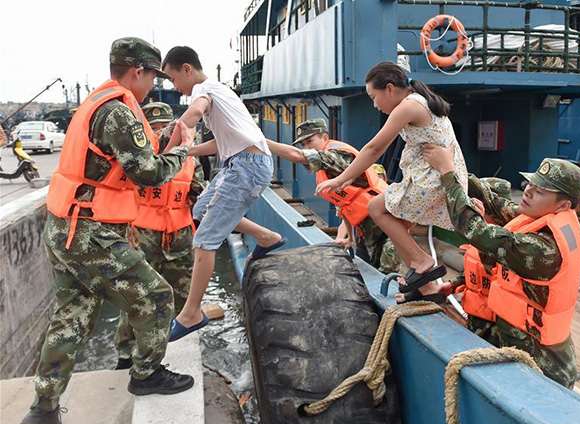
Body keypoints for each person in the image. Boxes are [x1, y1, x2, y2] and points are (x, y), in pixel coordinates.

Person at [20, 37, 195, 424]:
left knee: (74, 316)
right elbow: (149, 174)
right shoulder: (118, 111)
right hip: (90, 232)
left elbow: (123, 161)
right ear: (138, 71)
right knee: (157, 296)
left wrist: (162, 145)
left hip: (64, 227)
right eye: (152, 77)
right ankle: (146, 374)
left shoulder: (96, 104)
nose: (153, 85)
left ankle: (43, 408)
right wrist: (184, 151)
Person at [422, 144, 580, 389]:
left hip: (540, 367)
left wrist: (448, 173)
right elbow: (493, 203)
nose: (529, 191)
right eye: (530, 184)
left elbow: (475, 230)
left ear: (563, 205)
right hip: (516, 348)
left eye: (540, 191)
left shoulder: (544, 248)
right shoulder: (537, 217)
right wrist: (455, 167)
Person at [161, 46, 284, 342]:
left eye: (173, 79)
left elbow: (193, 113)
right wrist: (187, 151)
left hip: (246, 165)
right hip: (240, 163)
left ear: (187, 69)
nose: (174, 87)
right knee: (200, 211)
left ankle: (191, 314)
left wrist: (175, 140)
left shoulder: (203, 89)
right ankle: (267, 237)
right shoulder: (222, 91)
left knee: (205, 240)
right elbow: (219, 144)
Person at [315, 61, 469, 294]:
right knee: (399, 227)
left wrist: (338, 179)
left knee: (376, 208)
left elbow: (374, 148)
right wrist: (349, 177)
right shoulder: (419, 100)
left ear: (389, 88)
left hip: (434, 181)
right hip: (442, 179)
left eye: (373, 97)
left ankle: (422, 260)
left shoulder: (409, 106)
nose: (374, 105)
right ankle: (424, 286)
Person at [113, 102, 206, 370]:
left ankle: (176, 350)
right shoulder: (136, 160)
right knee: (135, 299)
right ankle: (126, 355)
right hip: (142, 239)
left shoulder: (189, 159)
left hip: (180, 239)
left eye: (164, 127)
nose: (160, 133)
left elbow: (198, 190)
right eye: (153, 128)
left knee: (183, 296)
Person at [266, 118, 400, 273]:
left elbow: (296, 155)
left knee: (388, 274)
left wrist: (260, 141)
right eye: (303, 144)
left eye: (310, 141)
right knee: (368, 272)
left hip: (388, 226)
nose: (307, 147)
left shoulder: (337, 155)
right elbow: (345, 205)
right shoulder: (327, 169)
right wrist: (349, 238)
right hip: (367, 232)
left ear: (325, 138)